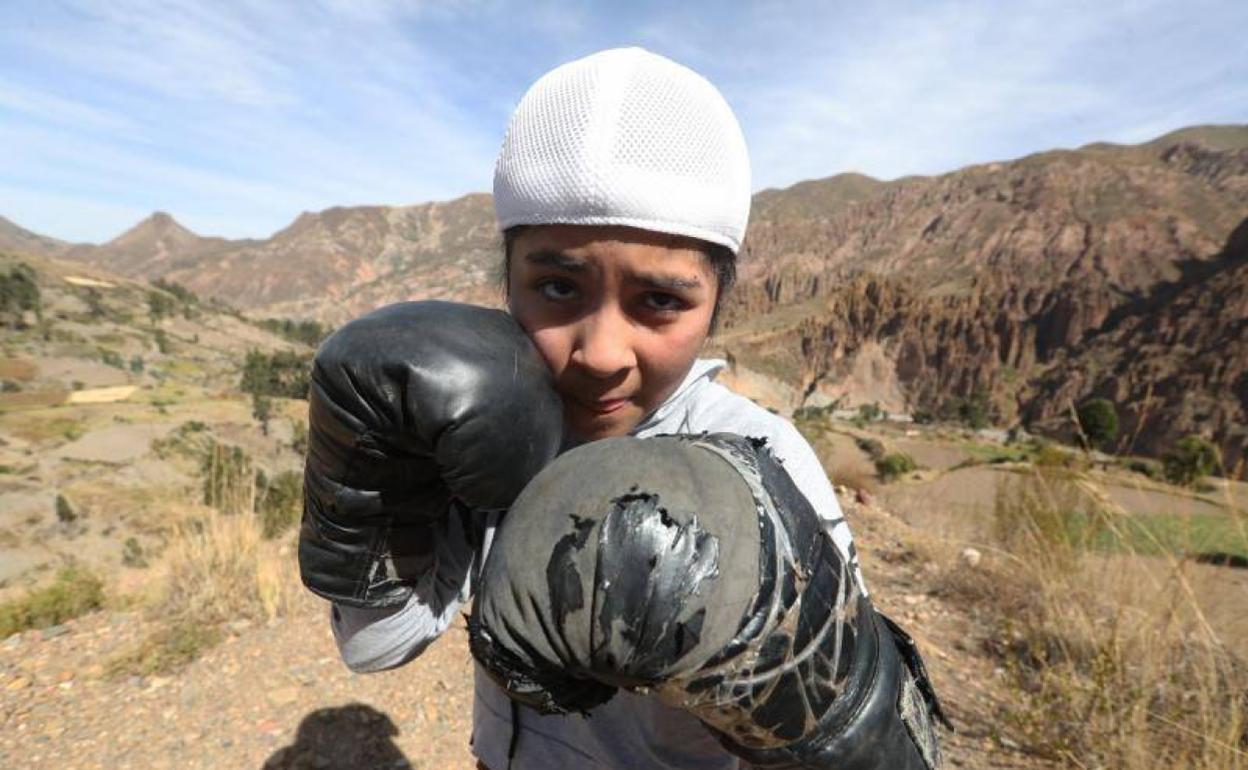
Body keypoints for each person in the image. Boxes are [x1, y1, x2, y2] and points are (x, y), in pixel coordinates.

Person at [299, 47, 945, 770]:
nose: (601, 352)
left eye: (660, 301)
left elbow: (862, 745)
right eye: (558, 287)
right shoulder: (478, 423)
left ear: (717, 305)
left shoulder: (762, 457)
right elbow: (376, 644)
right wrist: (375, 469)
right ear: (506, 278)